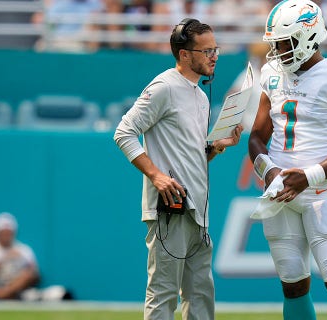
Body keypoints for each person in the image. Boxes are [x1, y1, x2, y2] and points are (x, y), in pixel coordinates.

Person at [113, 18, 243, 320]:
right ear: (184, 54)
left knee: (200, 294)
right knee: (163, 292)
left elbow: (192, 155)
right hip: (170, 210)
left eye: (216, 50)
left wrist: (217, 146)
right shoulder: (164, 86)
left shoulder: (199, 95)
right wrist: (156, 176)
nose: (214, 56)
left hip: (197, 210)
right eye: (207, 50)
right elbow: (124, 132)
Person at [248, 1, 327, 319]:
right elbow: (257, 137)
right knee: (292, 283)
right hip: (281, 192)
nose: (278, 51)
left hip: (321, 190)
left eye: (285, 43)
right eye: (275, 43)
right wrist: (270, 171)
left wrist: (307, 176)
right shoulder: (272, 73)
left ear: (309, 35)